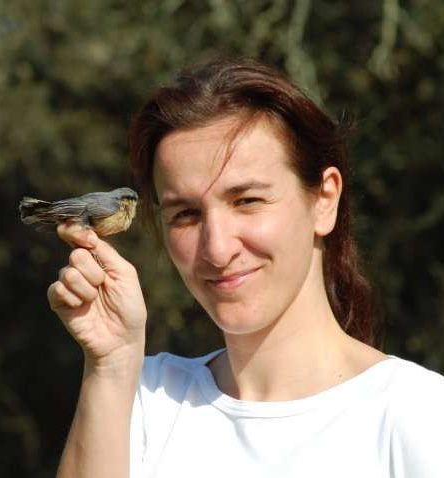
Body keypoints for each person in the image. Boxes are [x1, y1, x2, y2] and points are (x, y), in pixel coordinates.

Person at [46, 58, 444, 478]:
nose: (217, 249)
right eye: (185, 214)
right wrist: (111, 365)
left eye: (247, 201)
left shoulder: (418, 416)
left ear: (324, 200)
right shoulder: (143, 398)